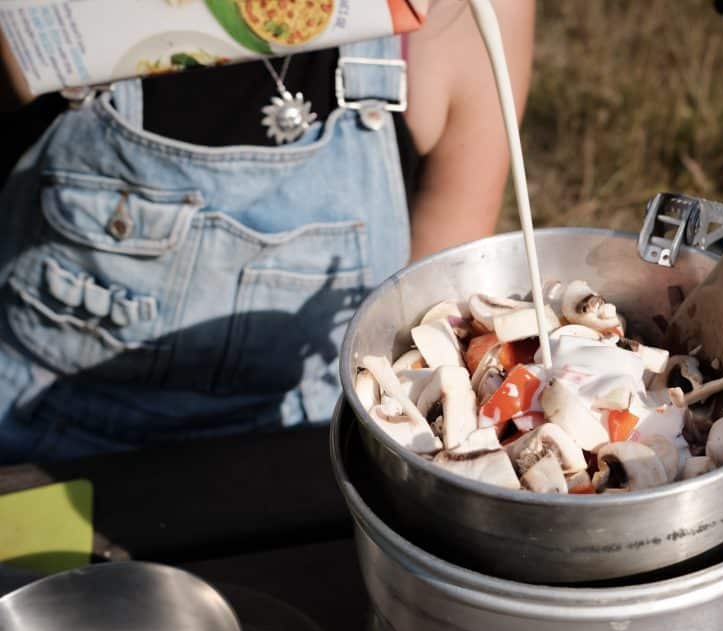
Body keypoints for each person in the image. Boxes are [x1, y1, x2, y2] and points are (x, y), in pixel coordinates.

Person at [0, 0, 535, 461]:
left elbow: (431, 321)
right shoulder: (52, 22)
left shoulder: (458, 18)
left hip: (312, 450)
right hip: (40, 439)